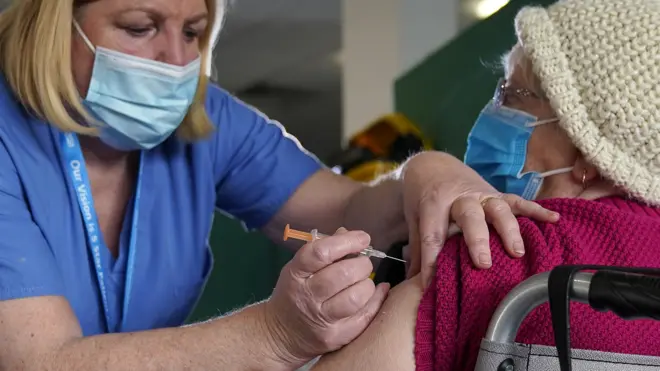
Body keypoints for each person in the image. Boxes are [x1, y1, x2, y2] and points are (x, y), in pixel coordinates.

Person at [0, 0, 560, 370]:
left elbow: (342, 212)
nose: (175, 61)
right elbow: (38, 361)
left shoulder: (204, 122)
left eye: (193, 32)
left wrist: (421, 173)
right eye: (140, 28)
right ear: (52, 21)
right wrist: (271, 334)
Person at [309, 0, 660, 370]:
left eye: (514, 95)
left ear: (588, 156)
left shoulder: (499, 253)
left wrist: (280, 332)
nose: (494, 109)